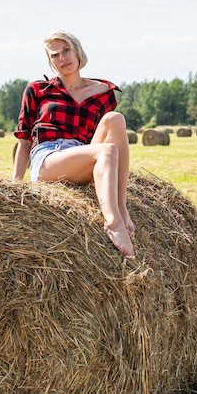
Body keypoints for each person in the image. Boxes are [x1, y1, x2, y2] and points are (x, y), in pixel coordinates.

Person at [12, 29, 135, 259]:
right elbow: (25, 138)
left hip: (81, 153)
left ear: (77, 51)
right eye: (55, 55)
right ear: (51, 62)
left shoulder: (104, 93)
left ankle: (121, 206)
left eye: (66, 50)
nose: (62, 58)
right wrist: (15, 187)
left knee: (116, 120)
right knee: (107, 152)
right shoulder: (37, 89)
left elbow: (105, 136)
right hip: (49, 157)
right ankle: (112, 222)